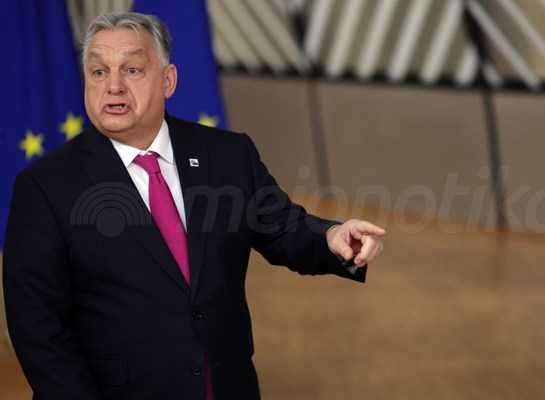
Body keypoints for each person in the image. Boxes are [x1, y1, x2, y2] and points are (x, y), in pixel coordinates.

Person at [2, 12, 385, 400]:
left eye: (132, 70)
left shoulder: (228, 155)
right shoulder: (46, 186)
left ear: (168, 81)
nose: (113, 86)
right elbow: (37, 327)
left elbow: (285, 228)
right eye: (98, 72)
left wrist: (332, 237)